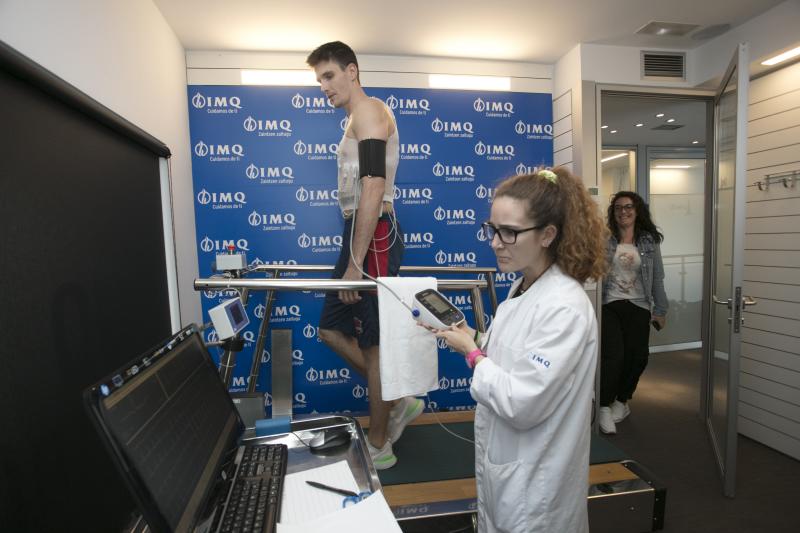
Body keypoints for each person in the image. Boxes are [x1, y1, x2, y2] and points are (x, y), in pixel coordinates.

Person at [433, 168, 608, 532]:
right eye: (492, 229)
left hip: (537, 484)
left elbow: (523, 401)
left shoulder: (564, 306)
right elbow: (518, 358)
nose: (496, 243)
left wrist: (473, 355)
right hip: (511, 470)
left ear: (547, 234)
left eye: (509, 232)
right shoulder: (523, 285)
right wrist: (475, 339)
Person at [307, 41, 422, 469]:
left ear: (352, 71)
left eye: (329, 75)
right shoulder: (355, 119)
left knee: (374, 348)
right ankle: (399, 401)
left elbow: (373, 186)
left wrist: (357, 262)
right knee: (331, 329)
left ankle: (379, 444)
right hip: (359, 233)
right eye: (319, 79)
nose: (324, 86)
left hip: (371, 239)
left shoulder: (370, 110)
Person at [598, 191, 667, 434]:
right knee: (613, 357)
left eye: (628, 207)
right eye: (618, 208)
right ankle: (603, 406)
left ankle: (621, 401)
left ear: (637, 210)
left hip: (639, 305)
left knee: (638, 358)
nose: (623, 212)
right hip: (609, 304)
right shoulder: (605, 238)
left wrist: (661, 309)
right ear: (613, 212)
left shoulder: (648, 240)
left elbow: (657, 276)